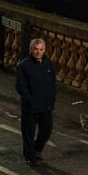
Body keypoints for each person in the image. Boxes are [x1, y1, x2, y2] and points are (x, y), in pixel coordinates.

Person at [15, 37, 57, 165]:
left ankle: (37, 149)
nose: (38, 52)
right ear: (31, 49)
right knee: (28, 134)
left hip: (45, 106)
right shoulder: (24, 66)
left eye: (41, 49)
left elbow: (52, 83)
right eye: (35, 49)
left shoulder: (48, 63)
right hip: (31, 108)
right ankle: (30, 157)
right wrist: (30, 100)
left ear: (44, 50)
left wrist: (51, 99)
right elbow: (20, 87)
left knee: (47, 130)